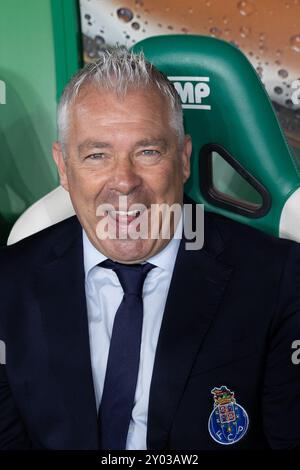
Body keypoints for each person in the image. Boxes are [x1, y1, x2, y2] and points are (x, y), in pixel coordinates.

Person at [0, 46, 300, 451]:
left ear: (183, 159)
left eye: (148, 152)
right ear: (64, 167)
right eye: (96, 155)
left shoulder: (278, 280)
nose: (123, 181)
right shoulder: (8, 283)